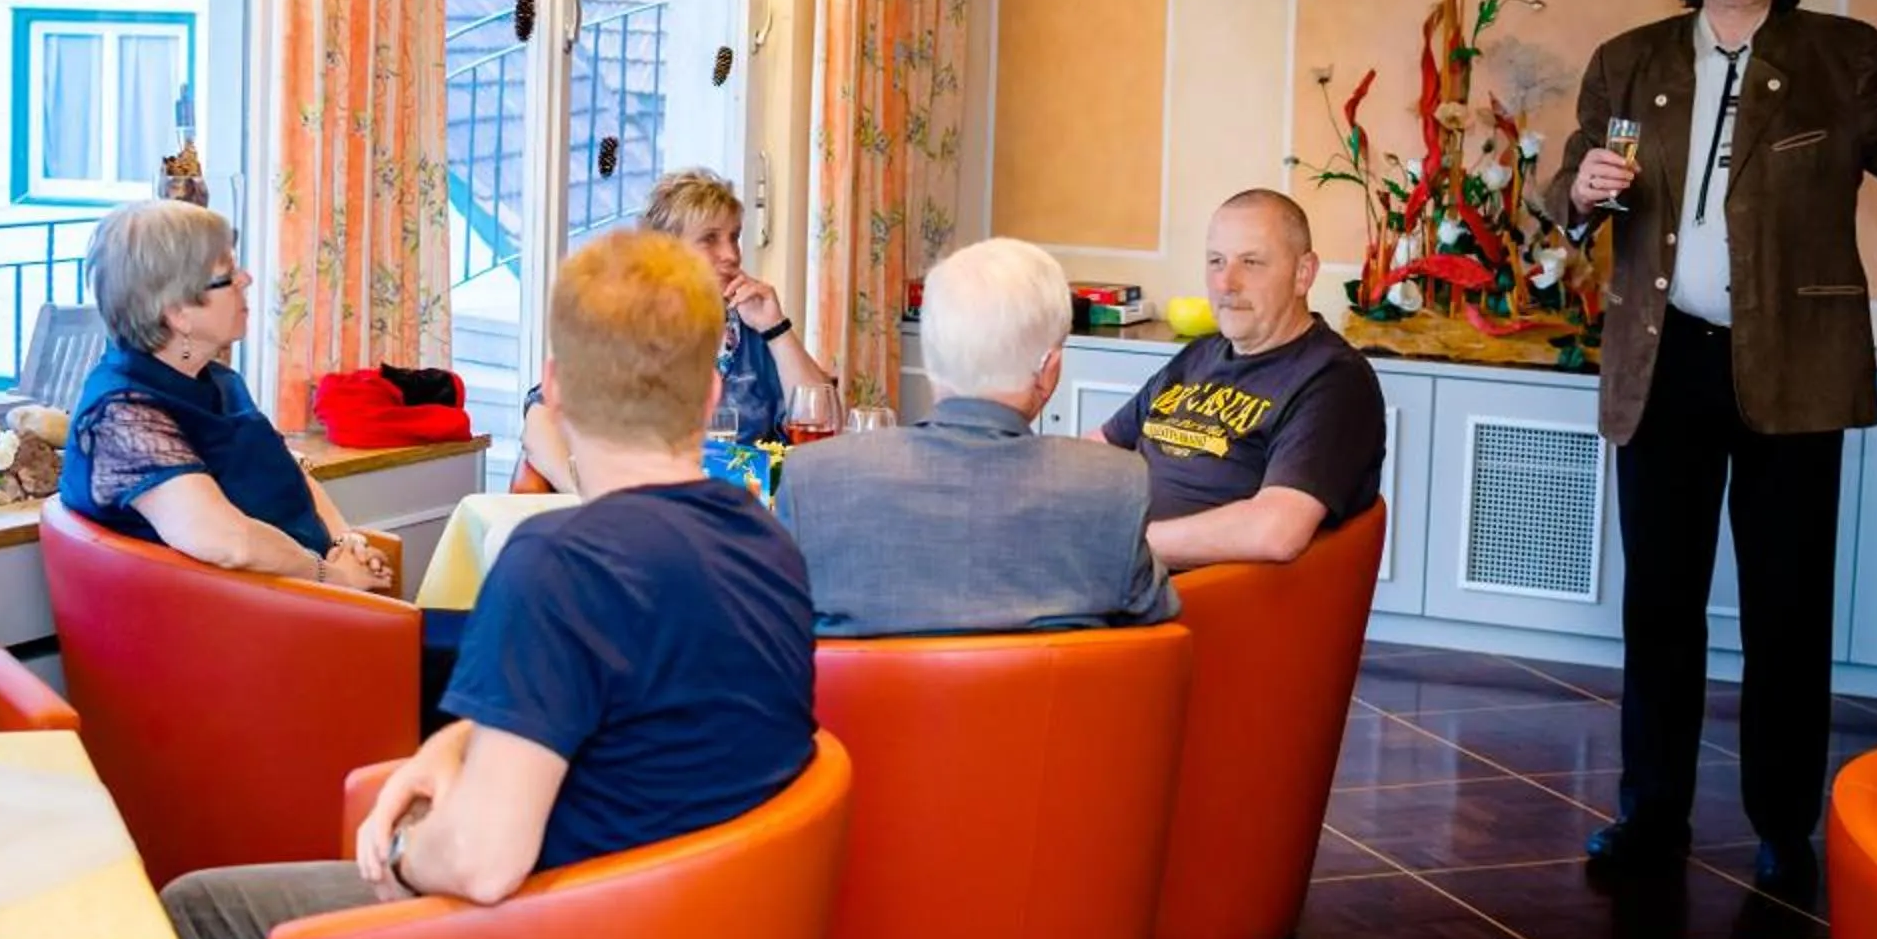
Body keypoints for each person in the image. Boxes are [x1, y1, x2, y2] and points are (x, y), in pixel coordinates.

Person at [162, 227, 818, 939]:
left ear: (555, 387)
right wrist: (452, 742)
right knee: (197, 907)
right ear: (710, 391)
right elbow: (624, 700)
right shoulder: (766, 544)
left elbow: (479, 861)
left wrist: (398, 858)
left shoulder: (561, 563)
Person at [1542, 0, 1877, 894]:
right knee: (1661, 605)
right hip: (1665, 365)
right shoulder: (1629, 60)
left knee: (1788, 607)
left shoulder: (1840, 54)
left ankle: (1785, 823)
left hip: (1793, 366)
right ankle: (1650, 813)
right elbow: (1562, 189)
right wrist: (1581, 189)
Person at [776, 237, 1176, 635]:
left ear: (929, 361)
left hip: (867, 701)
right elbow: (1155, 631)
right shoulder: (1113, 485)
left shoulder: (814, 478)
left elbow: (775, 633)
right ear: (1050, 369)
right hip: (1045, 699)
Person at [60, 198, 391, 591]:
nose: (246, 279)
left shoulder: (215, 378)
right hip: (246, 630)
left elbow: (286, 465)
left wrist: (342, 540)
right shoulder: (123, 415)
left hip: (301, 602)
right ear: (177, 311)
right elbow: (229, 542)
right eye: (227, 275)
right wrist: (335, 577)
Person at [1094, 188, 1387, 570]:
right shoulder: (1199, 355)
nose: (1225, 283)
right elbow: (1101, 448)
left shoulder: (1333, 382)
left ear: (1303, 274)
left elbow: (1276, 530)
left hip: (1191, 598)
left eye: (1251, 262)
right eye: (1216, 261)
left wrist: (1121, 544)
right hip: (1115, 570)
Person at [515, 167, 834, 490]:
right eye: (710, 238)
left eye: (734, 236)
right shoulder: (624, 327)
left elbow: (822, 421)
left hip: (738, 517)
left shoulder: (754, 330)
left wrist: (776, 329)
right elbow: (540, 421)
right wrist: (580, 493)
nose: (731, 254)